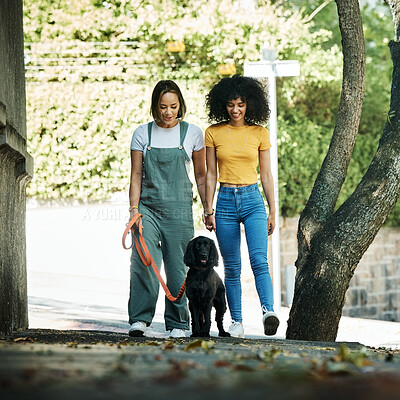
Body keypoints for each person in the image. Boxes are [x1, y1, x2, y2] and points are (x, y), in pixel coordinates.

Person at [128, 80, 206, 338]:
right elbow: (136, 175)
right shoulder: (142, 134)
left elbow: (201, 175)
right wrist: (133, 210)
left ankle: (178, 324)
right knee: (143, 260)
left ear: (180, 105)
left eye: (173, 106)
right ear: (155, 106)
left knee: (178, 267)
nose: (168, 112)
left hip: (179, 210)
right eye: (163, 107)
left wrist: (208, 209)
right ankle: (139, 319)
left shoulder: (193, 133)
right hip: (147, 209)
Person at [203, 75, 279, 338]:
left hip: (252, 200)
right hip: (224, 202)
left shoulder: (260, 133)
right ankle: (236, 322)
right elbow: (210, 174)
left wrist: (272, 209)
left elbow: (267, 175)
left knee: (259, 260)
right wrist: (207, 208)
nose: (235, 110)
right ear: (222, 105)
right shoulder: (213, 132)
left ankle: (268, 311)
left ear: (250, 105)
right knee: (232, 266)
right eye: (230, 104)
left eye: (241, 104)